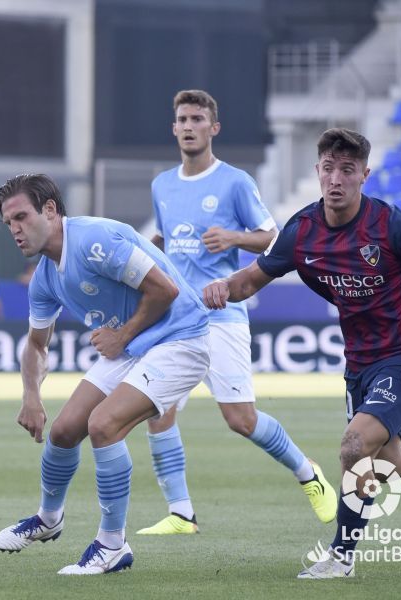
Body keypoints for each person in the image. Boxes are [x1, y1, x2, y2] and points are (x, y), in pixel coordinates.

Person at [203, 128, 401, 579]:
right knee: (391, 460)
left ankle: (340, 558)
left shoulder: (388, 223)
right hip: (359, 362)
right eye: (328, 169)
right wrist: (225, 287)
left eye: (347, 170)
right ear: (317, 172)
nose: (335, 179)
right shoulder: (301, 232)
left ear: (364, 175)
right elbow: (252, 280)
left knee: (355, 446)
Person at [0, 174, 211, 575]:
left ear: (51, 210)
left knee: (104, 425)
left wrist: (121, 335)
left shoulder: (94, 240)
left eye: (21, 217)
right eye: (9, 224)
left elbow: (165, 290)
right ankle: (48, 519)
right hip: (133, 344)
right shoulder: (44, 276)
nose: (15, 230)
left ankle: (112, 545)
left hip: (180, 339)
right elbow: (37, 344)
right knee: (64, 430)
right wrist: (31, 397)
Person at [138, 90, 336, 536]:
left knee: (240, 420)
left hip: (221, 316)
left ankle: (308, 473)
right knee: (157, 409)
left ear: (214, 128)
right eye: (182, 119)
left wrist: (231, 237)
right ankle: (181, 512)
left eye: (197, 119)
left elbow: (272, 237)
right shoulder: (162, 185)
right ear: (173, 128)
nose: (188, 126)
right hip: (174, 318)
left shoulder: (235, 182)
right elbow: (167, 242)